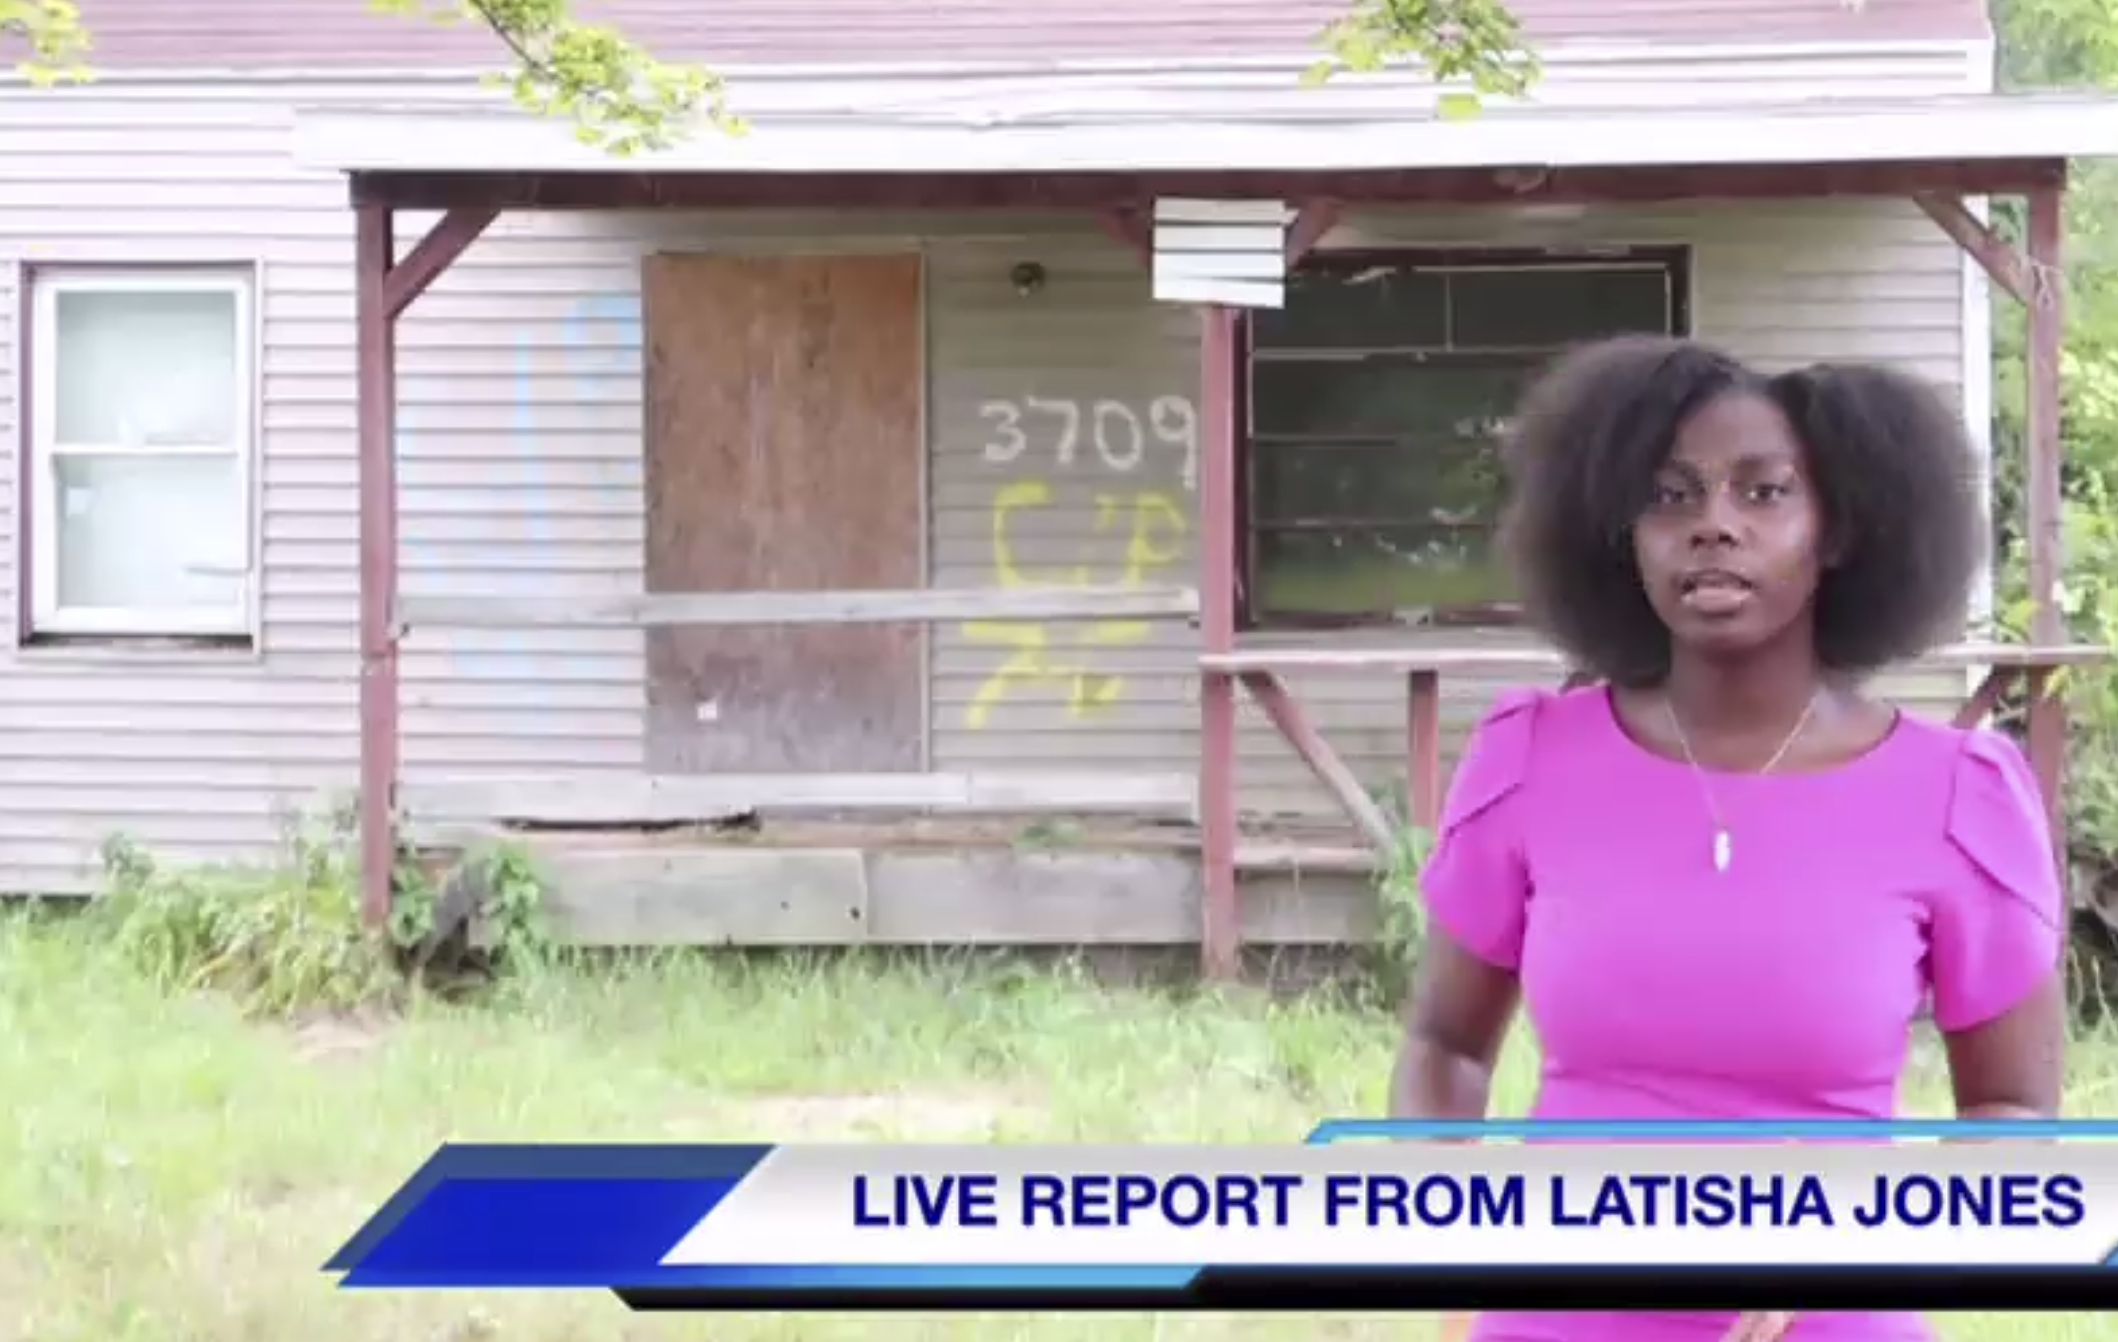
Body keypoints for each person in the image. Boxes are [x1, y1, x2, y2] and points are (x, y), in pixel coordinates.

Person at [1395, 336, 2067, 1342]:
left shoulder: (1957, 796)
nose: (1712, 525)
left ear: (1836, 530)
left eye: (1763, 493)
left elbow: (2014, 1112)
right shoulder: (1530, 759)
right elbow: (1444, 1042)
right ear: (1619, 534)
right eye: (1669, 496)